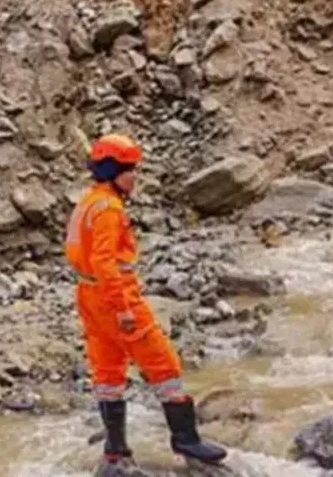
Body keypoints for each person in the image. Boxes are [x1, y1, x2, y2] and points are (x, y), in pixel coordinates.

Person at [66, 134, 226, 466]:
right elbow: (105, 262)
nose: (135, 177)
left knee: (108, 372)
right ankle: (186, 440)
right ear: (113, 172)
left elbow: (84, 258)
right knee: (164, 365)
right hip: (116, 296)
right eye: (130, 170)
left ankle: (115, 452)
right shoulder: (109, 208)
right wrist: (122, 307)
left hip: (89, 296)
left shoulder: (88, 202)